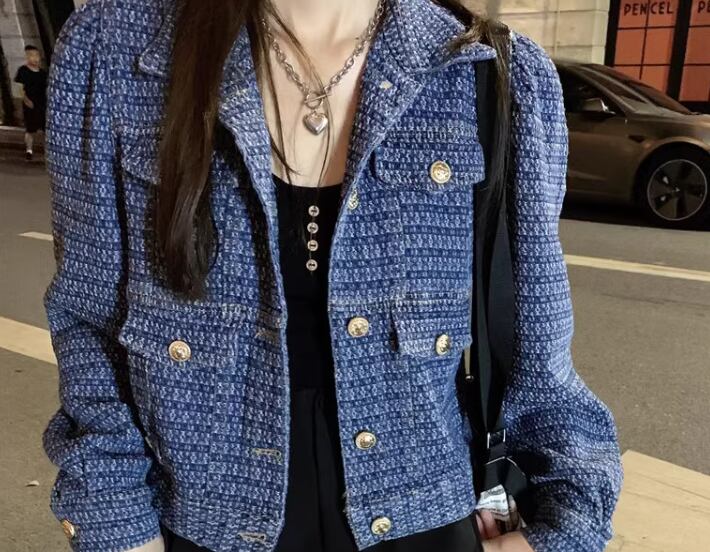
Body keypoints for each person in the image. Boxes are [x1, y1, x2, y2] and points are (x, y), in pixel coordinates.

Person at [41, 0, 623, 551]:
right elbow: (89, 327)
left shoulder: (488, 71)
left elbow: (537, 341)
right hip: (200, 522)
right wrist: (117, 524)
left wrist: (563, 526)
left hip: (426, 521)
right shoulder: (114, 51)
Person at [14, 44, 47, 161]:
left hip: (42, 103)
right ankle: (29, 150)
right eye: (32, 55)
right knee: (30, 128)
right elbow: (19, 88)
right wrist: (26, 100)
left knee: (45, 128)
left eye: (37, 55)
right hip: (29, 103)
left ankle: (47, 150)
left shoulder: (43, 73)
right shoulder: (23, 71)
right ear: (27, 57)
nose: (35, 58)